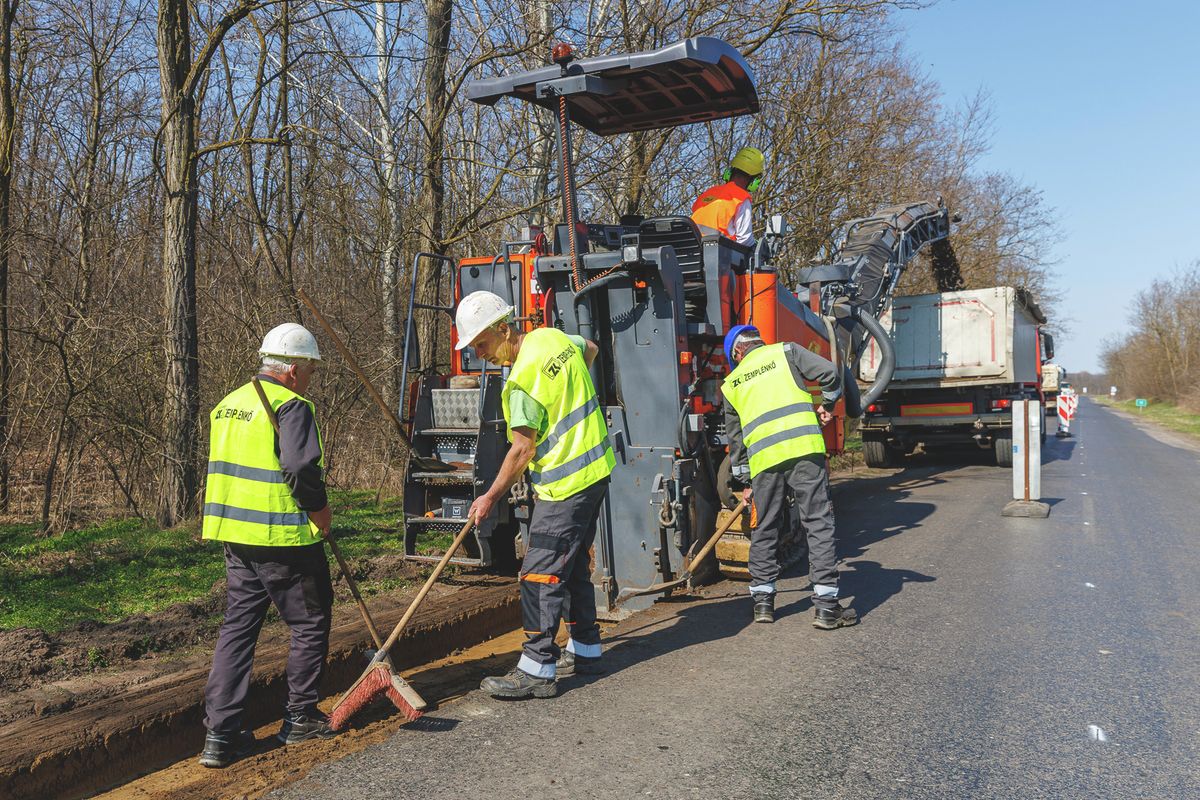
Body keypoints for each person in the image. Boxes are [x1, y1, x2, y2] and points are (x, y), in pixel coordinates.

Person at [457, 290, 614, 699]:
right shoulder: (554, 338)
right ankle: (587, 649)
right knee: (574, 562)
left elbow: (522, 450)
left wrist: (489, 496)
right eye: (474, 347)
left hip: (566, 484)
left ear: (503, 329)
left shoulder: (520, 384)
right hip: (596, 469)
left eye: (482, 344)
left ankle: (537, 668)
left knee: (538, 572)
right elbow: (592, 348)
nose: (481, 354)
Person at [198, 323, 336, 769]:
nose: (310, 377)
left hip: (235, 539)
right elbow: (299, 467)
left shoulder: (227, 405)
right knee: (311, 619)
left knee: (237, 630)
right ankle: (299, 717)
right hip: (281, 537)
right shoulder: (291, 405)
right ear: (293, 370)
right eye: (310, 370)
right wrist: (319, 511)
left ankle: (220, 736)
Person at [720, 324, 858, 629]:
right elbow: (831, 375)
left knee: (765, 527)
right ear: (756, 342)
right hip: (803, 451)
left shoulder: (731, 383)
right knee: (818, 523)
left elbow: (737, 441)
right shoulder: (786, 351)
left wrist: (744, 484)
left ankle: (763, 605)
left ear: (737, 352)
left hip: (764, 464)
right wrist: (828, 404)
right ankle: (826, 608)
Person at [690, 146, 764, 246]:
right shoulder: (741, 198)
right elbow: (745, 239)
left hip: (693, 248)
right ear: (754, 181)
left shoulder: (709, 192)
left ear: (730, 172)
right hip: (720, 254)